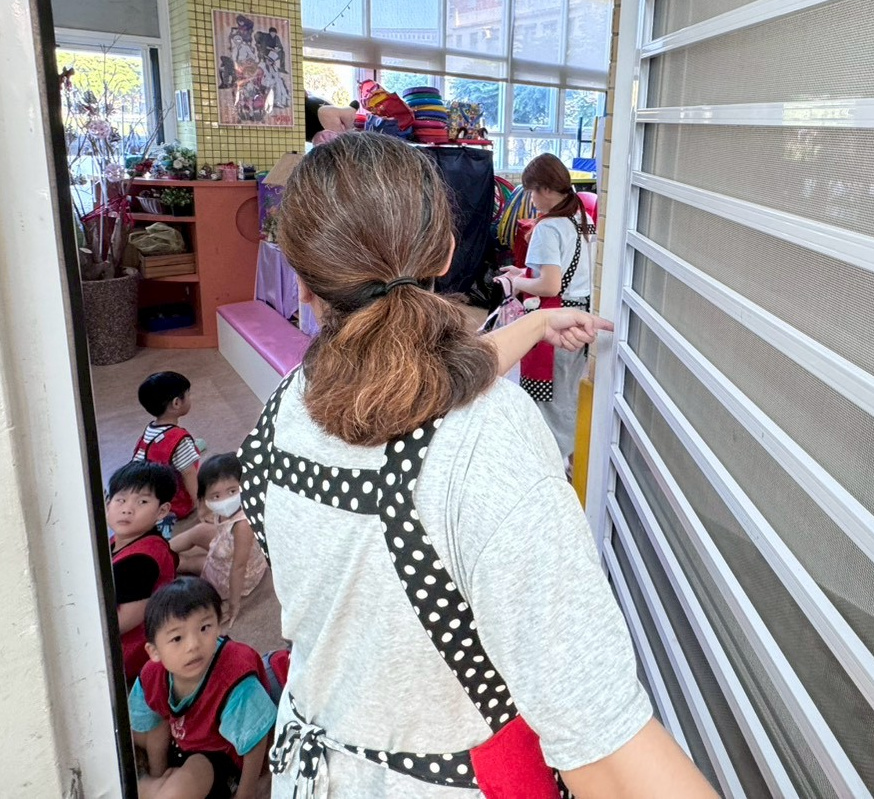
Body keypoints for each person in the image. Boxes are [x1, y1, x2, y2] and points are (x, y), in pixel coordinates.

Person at [238, 133, 716, 799]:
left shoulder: (284, 407)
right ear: (444, 250)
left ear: (298, 272)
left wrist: (535, 326)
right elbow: (603, 747)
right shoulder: (489, 438)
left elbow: (428, 381)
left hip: (310, 774)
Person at [130, 578, 277, 799]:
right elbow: (151, 722)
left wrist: (246, 793)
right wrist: (158, 771)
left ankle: (151, 788)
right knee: (129, 732)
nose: (193, 645)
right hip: (178, 736)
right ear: (154, 651)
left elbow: (255, 740)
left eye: (204, 628)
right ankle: (154, 783)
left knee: (176, 792)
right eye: (177, 638)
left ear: (219, 626)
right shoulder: (152, 674)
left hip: (214, 751)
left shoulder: (233, 679)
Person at [500, 153, 596, 461]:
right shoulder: (583, 218)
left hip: (555, 322)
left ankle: (548, 463)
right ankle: (568, 463)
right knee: (566, 397)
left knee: (547, 404)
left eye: (531, 191)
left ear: (544, 189)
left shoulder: (548, 228)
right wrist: (524, 274)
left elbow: (550, 286)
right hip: (581, 317)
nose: (530, 199)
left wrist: (516, 282)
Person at [170, 453, 268, 631]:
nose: (225, 500)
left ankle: (164, 562)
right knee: (199, 530)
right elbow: (204, 507)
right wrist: (202, 509)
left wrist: (233, 605)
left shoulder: (243, 525)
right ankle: (161, 548)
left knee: (192, 562)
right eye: (216, 496)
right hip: (227, 544)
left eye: (232, 491)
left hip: (238, 574)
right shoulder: (224, 507)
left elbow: (239, 567)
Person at [108, 461, 180, 685]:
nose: (127, 509)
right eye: (120, 500)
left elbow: (117, 624)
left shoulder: (140, 562)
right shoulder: (121, 540)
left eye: (142, 502)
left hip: (129, 660)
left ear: (162, 511)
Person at [135, 371, 202, 524]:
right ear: (176, 403)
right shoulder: (179, 439)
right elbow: (189, 474)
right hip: (174, 504)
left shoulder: (150, 430)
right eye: (188, 395)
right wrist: (201, 504)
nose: (190, 398)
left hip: (150, 496)